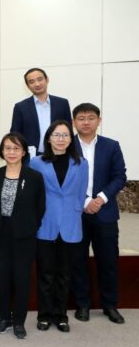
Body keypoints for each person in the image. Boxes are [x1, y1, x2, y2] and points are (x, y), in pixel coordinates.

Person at [70, 103, 127, 324]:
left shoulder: (111, 146)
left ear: (99, 120)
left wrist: (100, 198)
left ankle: (110, 305)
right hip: (76, 213)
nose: (86, 122)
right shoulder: (67, 146)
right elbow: (63, 179)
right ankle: (82, 304)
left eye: (91, 118)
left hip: (105, 212)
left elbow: (119, 176)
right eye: (81, 118)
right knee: (78, 260)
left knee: (108, 260)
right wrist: (85, 201)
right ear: (74, 122)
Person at [30, 120, 88, 333]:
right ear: (48, 138)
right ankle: (44, 315)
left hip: (70, 223)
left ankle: (61, 316)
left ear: (71, 139)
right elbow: (34, 192)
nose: (60, 139)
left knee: (64, 273)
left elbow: (81, 193)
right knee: (45, 273)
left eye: (65, 135)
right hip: (46, 221)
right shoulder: (36, 162)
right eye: (56, 135)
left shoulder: (81, 163)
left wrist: (74, 212)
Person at [0, 133, 45, 340]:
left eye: (16, 148)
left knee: (21, 277)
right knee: (2, 276)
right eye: (7, 148)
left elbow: (40, 206)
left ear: (23, 152)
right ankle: (4, 318)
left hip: (24, 234)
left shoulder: (34, 177)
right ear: (2, 152)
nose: (11, 152)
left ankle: (19, 321)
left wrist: (30, 226)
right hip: (0, 232)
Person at [10, 68, 71, 158]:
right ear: (27, 86)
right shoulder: (20, 107)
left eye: (40, 79)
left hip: (59, 154)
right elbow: (15, 134)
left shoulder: (62, 103)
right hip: (31, 157)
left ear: (47, 80)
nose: (37, 84)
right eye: (32, 82)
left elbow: (69, 130)